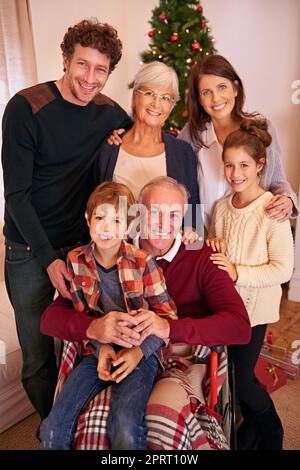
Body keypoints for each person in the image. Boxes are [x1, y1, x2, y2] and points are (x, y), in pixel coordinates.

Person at [41, 176, 251, 450]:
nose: (164, 225)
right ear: (136, 214)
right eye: (154, 213)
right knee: (75, 424)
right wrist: (94, 330)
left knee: (156, 424)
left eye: (174, 215)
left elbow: (239, 326)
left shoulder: (202, 257)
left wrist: (167, 328)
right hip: (110, 351)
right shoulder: (112, 244)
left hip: (175, 358)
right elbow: (53, 317)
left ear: (185, 217)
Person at [1, 18, 134, 420]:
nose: (90, 78)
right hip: (28, 250)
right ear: (65, 60)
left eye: (101, 70)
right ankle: (51, 428)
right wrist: (48, 258)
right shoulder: (26, 107)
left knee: (82, 343)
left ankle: (79, 428)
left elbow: (144, 134)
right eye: (82, 65)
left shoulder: (109, 112)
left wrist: (121, 139)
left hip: (83, 246)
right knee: (38, 357)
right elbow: (16, 196)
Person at [39, 181, 177, 450]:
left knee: (124, 427)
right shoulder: (76, 261)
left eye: (117, 220)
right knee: (53, 430)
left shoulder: (143, 262)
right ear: (88, 219)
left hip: (140, 351)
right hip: (96, 352)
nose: (107, 227)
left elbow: (167, 318)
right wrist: (101, 349)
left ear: (128, 226)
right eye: (100, 217)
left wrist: (139, 352)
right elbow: (84, 315)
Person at [206, 119, 294, 450]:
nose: (235, 172)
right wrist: (215, 247)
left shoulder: (271, 209)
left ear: (259, 166)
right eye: (229, 165)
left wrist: (238, 272)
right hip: (227, 310)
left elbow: (283, 269)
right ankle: (250, 432)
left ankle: (272, 433)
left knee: (243, 382)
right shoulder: (221, 208)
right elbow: (220, 250)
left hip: (255, 311)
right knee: (233, 376)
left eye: (243, 165)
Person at [178, 54, 298, 232]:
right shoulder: (191, 134)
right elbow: (183, 189)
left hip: (250, 240)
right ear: (199, 99)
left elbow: (277, 182)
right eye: (206, 92)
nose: (216, 98)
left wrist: (287, 199)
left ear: (235, 89)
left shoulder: (261, 130)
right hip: (205, 243)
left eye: (222, 87)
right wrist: (193, 232)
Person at [93, 60, 200, 237]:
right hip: (118, 255)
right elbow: (95, 205)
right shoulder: (110, 148)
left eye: (165, 98)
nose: (156, 104)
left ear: (172, 106)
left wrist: (193, 236)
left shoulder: (182, 152)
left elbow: (194, 210)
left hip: (166, 258)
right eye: (149, 93)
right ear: (135, 96)